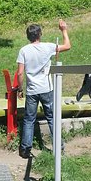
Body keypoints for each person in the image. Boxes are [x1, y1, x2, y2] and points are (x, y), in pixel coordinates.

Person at [16, 19, 71, 159]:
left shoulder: (23, 50)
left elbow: (20, 73)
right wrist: (63, 29)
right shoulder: (47, 47)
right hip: (47, 89)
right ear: (40, 34)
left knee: (29, 120)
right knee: (52, 118)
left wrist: (19, 89)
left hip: (32, 91)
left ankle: (25, 150)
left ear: (28, 36)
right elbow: (67, 46)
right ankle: (59, 147)